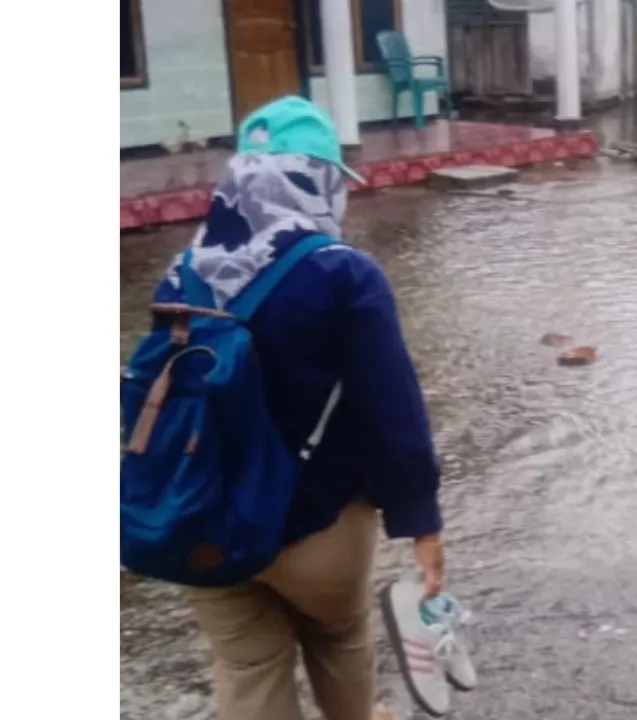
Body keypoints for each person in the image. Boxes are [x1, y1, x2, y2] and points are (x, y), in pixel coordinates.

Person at [152, 96, 449, 720]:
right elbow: (392, 412)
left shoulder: (182, 274)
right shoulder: (345, 274)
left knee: (246, 666)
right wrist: (421, 522)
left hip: (198, 519)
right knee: (339, 640)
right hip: (318, 525)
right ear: (317, 180)